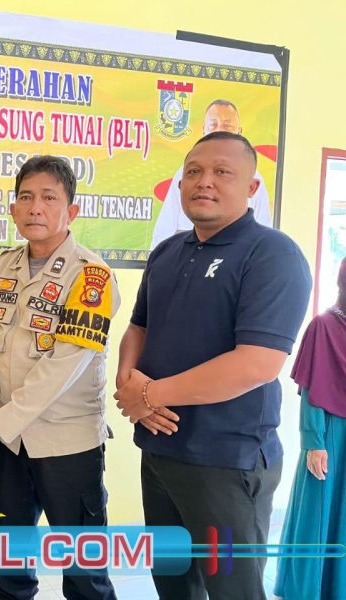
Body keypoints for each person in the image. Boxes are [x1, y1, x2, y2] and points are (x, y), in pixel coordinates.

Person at [115, 131, 311, 599]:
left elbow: (257, 363)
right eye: (194, 172)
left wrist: (149, 395)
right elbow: (138, 327)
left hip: (225, 462)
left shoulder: (272, 254)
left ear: (251, 188)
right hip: (159, 453)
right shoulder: (167, 252)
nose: (205, 181)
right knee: (173, 585)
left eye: (223, 172)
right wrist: (127, 382)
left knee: (231, 590)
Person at [0, 155, 119, 600]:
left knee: (85, 575)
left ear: (71, 211)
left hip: (66, 445)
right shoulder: (5, 264)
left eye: (49, 198)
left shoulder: (92, 277)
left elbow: (63, 367)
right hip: (13, 444)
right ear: (13, 209)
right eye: (26, 197)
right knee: (9, 564)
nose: (35, 208)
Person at [275, 257, 346, 600]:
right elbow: (312, 389)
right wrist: (314, 442)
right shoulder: (324, 326)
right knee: (318, 512)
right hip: (330, 433)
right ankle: (307, 590)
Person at [150, 99, 272, 249]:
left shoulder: (251, 175)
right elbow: (164, 230)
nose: (219, 131)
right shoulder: (185, 172)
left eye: (227, 126)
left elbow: (263, 231)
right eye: (213, 125)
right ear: (203, 131)